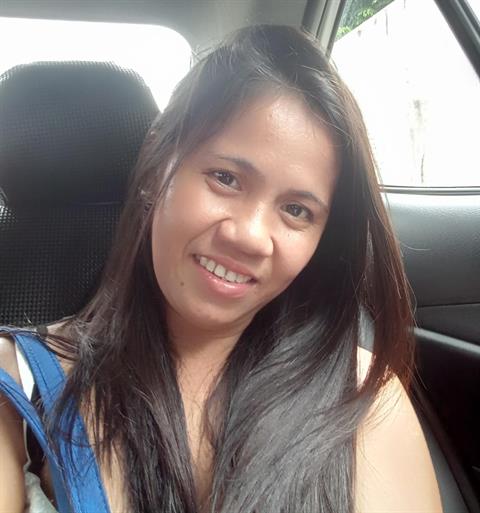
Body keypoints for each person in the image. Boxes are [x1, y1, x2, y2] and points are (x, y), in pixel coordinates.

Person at [0, 24, 442, 513]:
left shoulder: (363, 397)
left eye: (297, 210)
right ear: (158, 166)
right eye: (225, 178)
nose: (249, 236)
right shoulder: (16, 385)